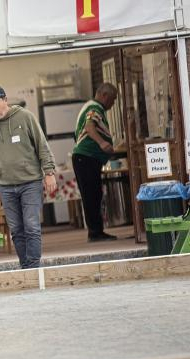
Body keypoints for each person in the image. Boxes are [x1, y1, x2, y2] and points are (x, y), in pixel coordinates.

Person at [0, 85, 56, 269]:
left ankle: (33, 267)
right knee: (16, 230)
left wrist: (49, 173)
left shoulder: (25, 117)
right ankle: (26, 267)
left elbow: (42, 146)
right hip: (6, 187)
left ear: (5, 99)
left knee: (31, 226)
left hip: (31, 182)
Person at [72, 83, 119, 242]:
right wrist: (102, 143)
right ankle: (95, 232)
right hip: (86, 158)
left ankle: (96, 231)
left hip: (85, 158)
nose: (112, 105)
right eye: (113, 100)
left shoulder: (89, 107)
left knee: (94, 195)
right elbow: (89, 126)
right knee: (91, 195)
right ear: (104, 95)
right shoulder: (95, 109)